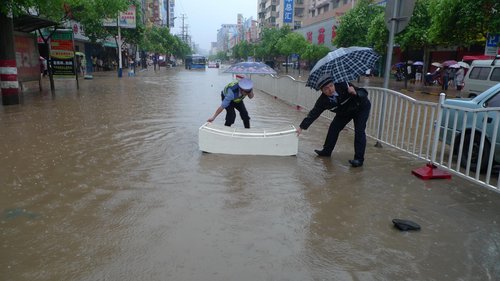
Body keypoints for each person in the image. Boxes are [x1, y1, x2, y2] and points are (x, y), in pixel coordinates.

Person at [296, 75, 371, 167]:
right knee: (333, 128)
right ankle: (326, 151)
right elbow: (313, 114)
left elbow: (364, 92)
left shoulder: (343, 85)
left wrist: (355, 92)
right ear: (322, 91)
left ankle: (359, 159)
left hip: (360, 108)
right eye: (326, 88)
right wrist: (301, 127)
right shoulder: (322, 101)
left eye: (331, 86)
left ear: (334, 84)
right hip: (344, 112)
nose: (330, 89)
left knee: (359, 131)